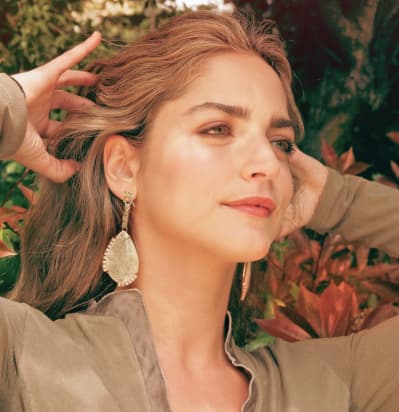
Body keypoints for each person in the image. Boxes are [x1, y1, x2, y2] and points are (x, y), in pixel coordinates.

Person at [0, 10, 398, 412]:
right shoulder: (22, 359)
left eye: (280, 142)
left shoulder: (328, 386)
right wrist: (9, 109)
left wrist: (337, 198)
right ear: (124, 167)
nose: (267, 161)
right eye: (218, 129)